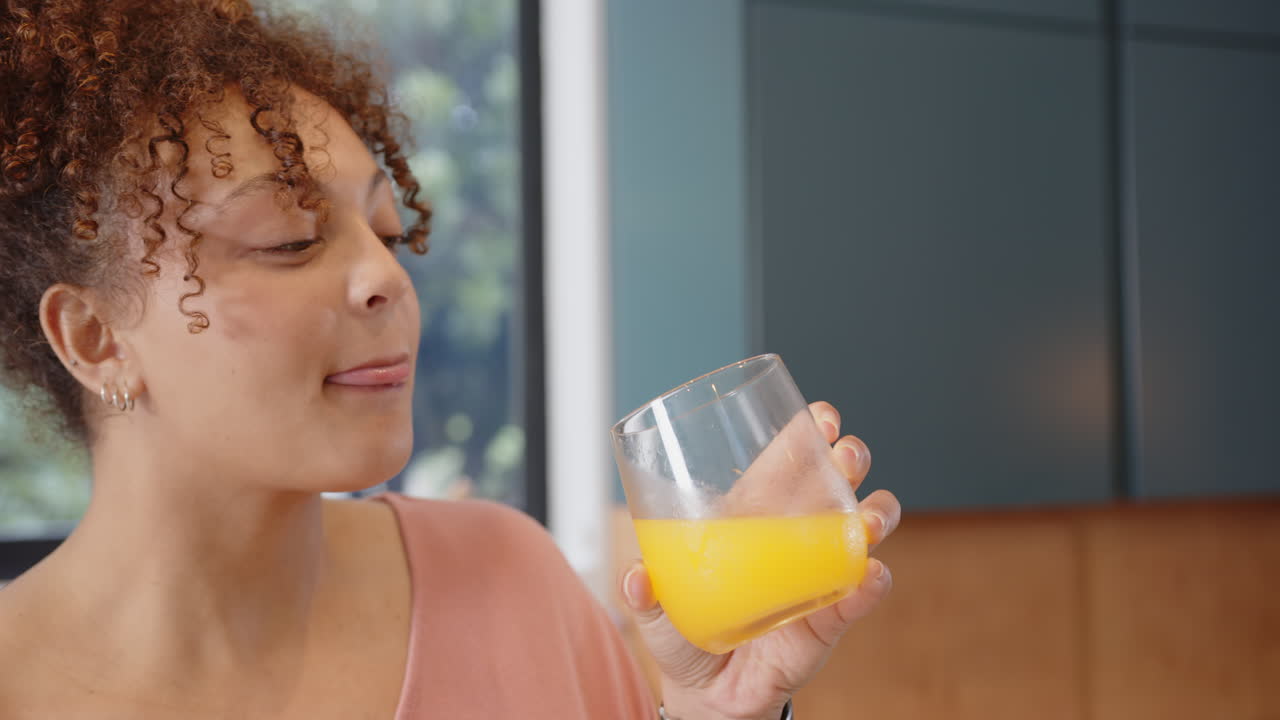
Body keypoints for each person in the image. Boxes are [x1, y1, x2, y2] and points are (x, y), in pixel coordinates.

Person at [0, 1, 902, 717]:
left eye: (388, 229)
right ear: (94, 338)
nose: (385, 276)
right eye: (288, 237)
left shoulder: (512, 582)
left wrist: (714, 715)